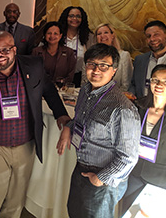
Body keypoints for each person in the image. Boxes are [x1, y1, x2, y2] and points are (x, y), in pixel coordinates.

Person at [0, 31, 70, 218]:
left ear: (14, 50)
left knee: (16, 202)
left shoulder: (33, 67)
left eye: (5, 49)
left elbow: (49, 91)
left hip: (26, 145)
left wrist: (61, 115)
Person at [57, 43, 141, 218]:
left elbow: (129, 157)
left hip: (102, 180)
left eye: (103, 65)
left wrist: (101, 178)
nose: (96, 70)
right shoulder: (86, 92)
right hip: (81, 169)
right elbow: (81, 122)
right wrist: (68, 127)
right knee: (74, 213)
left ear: (114, 70)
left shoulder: (122, 108)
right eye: (91, 64)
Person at [119, 64, 166, 215]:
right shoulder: (137, 107)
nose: (159, 85)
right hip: (132, 174)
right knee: (126, 213)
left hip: (160, 180)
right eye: (155, 80)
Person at [58, 6, 95, 87]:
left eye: (78, 16)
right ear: (66, 18)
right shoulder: (57, 34)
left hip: (79, 77)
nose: (75, 19)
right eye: (71, 16)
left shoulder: (89, 37)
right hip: (58, 76)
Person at [94, 23, 133, 91]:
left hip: (117, 98)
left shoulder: (124, 56)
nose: (102, 36)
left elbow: (126, 85)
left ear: (112, 36)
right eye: (99, 34)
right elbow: (85, 81)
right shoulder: (91, 56)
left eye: (106, 32)